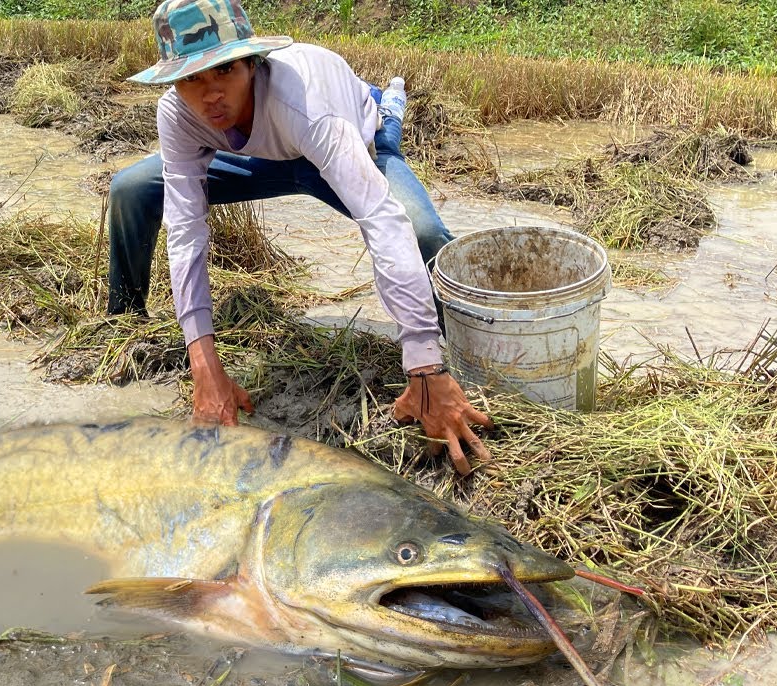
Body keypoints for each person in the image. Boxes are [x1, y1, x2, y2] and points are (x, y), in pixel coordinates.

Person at [106, 0, 493, 475]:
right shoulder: (180, 114)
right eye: (191, 79)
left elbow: (379, 219)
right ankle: (123, 321)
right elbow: (186, 231)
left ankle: (467, 363)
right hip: (259, 158)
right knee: (132, 188)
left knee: (422, 231)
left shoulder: (306, 103)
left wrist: (424, 368)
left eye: (224, 70)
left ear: (252, 62)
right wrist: (204, 369)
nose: (210, 96)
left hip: (346, 137)